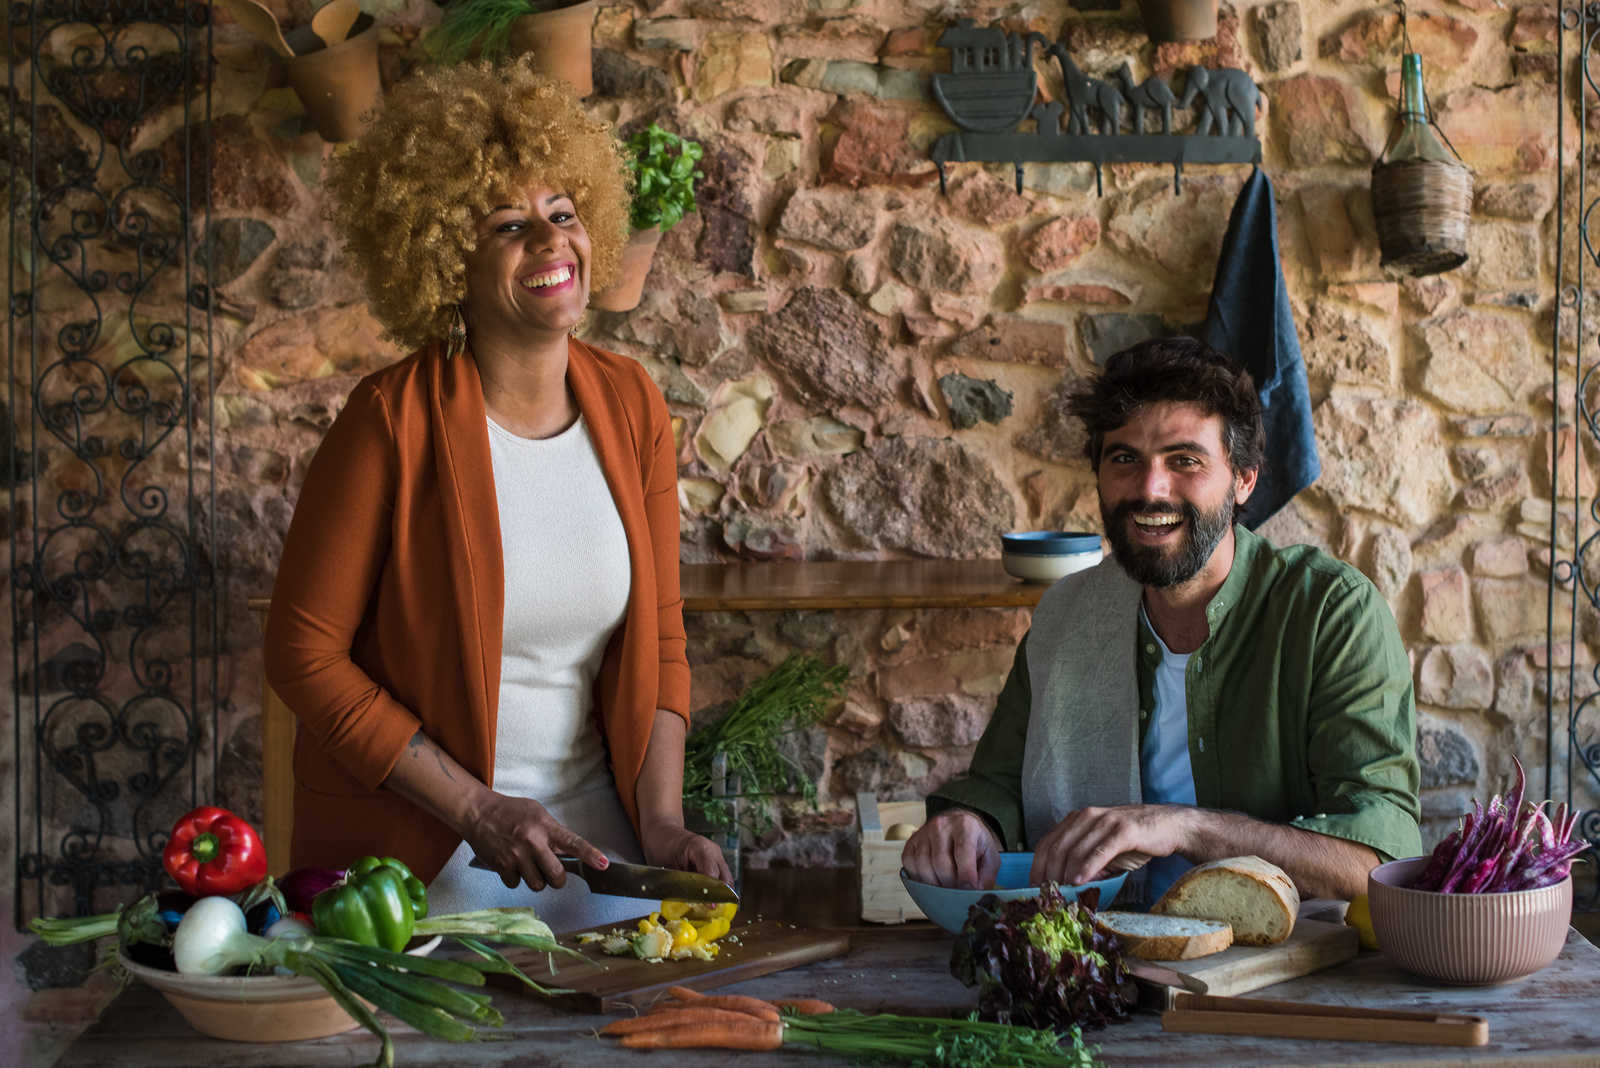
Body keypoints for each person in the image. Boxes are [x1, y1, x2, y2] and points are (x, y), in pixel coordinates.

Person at [263, 59, 729, 931]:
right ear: (444, 256)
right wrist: (476, 807)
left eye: (563, 213)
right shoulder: (386, 422)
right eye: (510, 225)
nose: (553, 242)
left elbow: (662, 635)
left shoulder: (632, 407)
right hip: (427, 871)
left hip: (601, 862)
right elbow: (302, 655)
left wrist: (662, 826)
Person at [902, 336, 1421, 905]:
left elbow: (1376, 862)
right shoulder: (1066, 615)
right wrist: (971, 824)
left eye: (1185, 461)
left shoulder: (1332, 613)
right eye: (1124, 458)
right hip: (1097, 956)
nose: (1150, 489)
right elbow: (999, 783)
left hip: (1277, 968)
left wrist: (1184, 826)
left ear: (1244, 478)